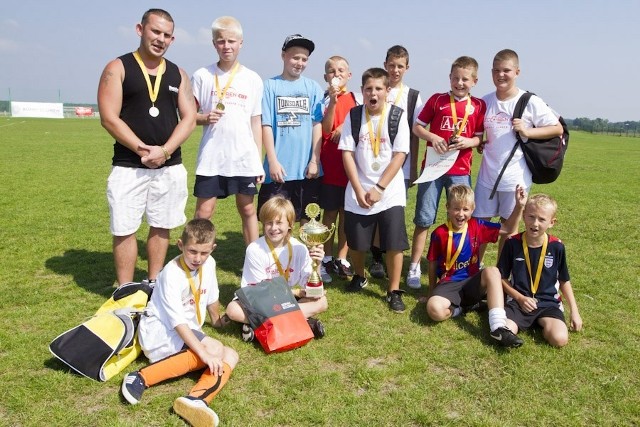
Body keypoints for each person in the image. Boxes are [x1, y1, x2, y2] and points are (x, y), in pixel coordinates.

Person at [98, 8, 196, 286]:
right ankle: (126, 287)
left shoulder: (179, 74)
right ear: (140, 29)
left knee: (162, 224)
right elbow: (109, 117)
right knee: (124, 227)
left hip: (169, 165)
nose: (160, 39)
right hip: (129, 166)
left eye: (166, 35)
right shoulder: (117, 67)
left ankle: (153, 281)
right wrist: (143, 150)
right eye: (155, 31)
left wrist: (164, 151)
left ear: (172, 39)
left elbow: (189, 118)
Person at [121, 219, 237, 427]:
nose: (198, 258)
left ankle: (196, 400)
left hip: (187, 330)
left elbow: (212, 297)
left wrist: (217, 320)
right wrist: (204, 353)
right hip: (162, 333)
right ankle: (140, 377)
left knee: (231, 355)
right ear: (180, 245)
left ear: (213, 248)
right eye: (192, 251)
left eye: (204, 253)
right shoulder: (171, 274)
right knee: (215, 349)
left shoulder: (209, 264)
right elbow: (178, 323)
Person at [406, 56, 487, 289]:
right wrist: (432, 137)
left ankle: (457, 266)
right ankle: (413, 266)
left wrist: (468, 141)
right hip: (433, 169)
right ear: (449, 78)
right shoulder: (437, 100)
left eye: (465, 79)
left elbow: (480, 137)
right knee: (424, 218)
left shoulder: (479, 105)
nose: (459, 83)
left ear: (474, 81)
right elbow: (418, 127)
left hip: (460, 170)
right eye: (455, 78)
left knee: (460, 219)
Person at [474, 49, 563, 257]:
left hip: (515, 179)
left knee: (509, 231)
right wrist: (481, 142)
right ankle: (473, 272)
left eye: (506, 70)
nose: (501, 75)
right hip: (487, 177)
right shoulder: (485, 101)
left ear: (517, 72)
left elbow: (556, 128)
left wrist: (527, 130)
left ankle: (502, 277)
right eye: (496, 70)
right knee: (479, 229)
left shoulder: (529, 101)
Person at [338, 67, 410, 313]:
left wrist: (380, 187)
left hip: (389, 192)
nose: (373, 93)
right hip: (358, 190)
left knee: (394, 243)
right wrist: (358, 189)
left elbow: (400, 155)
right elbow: (347, 153)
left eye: (379, 88)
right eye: (368, 88)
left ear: (387, 91)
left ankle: (393, 290)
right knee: (357, 244)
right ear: (362, 91)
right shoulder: (354, 115)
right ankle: (360, 276)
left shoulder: (397, 116)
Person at [190, 16, 264, 245]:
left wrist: (257, 161)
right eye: (221, 41)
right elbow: (186, 117)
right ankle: (194, 257)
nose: (226, 46)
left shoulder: (252, 79)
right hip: (212, 157)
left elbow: (255, 121)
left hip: (243, 157)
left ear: (241, 43)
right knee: (204, 212)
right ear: (214, 44)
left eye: (231, 41)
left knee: (248, 209)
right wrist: (202, 118)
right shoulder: (202, 75)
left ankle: (253, 261)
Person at [426, 184, 526, 348]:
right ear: (448, 208)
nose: (460, 214)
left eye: (465, 209)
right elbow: (432, 262)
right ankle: (460, 310)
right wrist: (430, 291)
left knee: (493, 271)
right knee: (434, 310)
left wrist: (519, 206)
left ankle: (498, 326)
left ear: (472, 209)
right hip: (449, 285)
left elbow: (508, 229)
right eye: (456, 209)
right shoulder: (439, 233)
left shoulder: (477, 226)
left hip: (472, 282)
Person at [225, 196, 328, 339]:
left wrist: (317, 263)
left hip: (286, 301)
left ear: (290, 224)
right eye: (269, 223)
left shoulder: (300, 248)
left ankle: (258, 326)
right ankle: (304, 323)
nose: (274, 228)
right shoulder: (255, 249)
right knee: (233, 310)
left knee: (321, 301)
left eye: (279, 223)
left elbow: (311, 288)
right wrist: (297, 292)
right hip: (261, 301)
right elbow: (258, 291)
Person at [498, 194, 583, 347]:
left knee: (560, 339)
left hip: (548, 303)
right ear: (524, 216)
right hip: (518, 302)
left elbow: (564, 280)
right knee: (505, 332)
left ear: (552, 222)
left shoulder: (557, 246)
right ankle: (524, 322)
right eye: (531, 217)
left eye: (542, 219)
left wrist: (574, 312)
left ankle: (543, 324)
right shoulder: (512, 243)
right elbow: (502, 278)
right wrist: (520, 298)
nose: (535, 223)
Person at [368, 45, 424, 280]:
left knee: (394, 212)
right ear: (385, 64)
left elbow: (416, 133)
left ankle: (392, 256)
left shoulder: (412, 96)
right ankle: (376, 258)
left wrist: (411, 169)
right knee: (373, 210)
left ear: (407, 68)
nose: (395, 70)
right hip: (372, 163)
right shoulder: (376, 90)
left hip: (400, 166)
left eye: (400, 66)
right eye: (391, 65)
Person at [258, 34, 324, 224]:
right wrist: (272, 161)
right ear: (283, 55)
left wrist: (315, 161)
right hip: (278, 171)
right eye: (295, 57)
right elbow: (266, 125)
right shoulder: (270, 86)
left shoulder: (313, 87)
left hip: (307, 170)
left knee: (309, 222)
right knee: (275, 223)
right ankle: (276, 255)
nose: (300, 63)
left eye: (304, 59)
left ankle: (304, 255)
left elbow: (316, 124)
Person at [318, 55, 362, 283]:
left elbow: (361, 123)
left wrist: (345, 125)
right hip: (329, 165)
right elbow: (325, 130)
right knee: (329, 214)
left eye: (341, 70)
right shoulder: (323, 99)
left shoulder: (356, 99)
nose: (337, 74)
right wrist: (333, 103)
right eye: (332, 71)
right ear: (326, 76)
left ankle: (342, 257)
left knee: (346, 213)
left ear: (349, 75)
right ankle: (325, 257)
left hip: (350, 167)